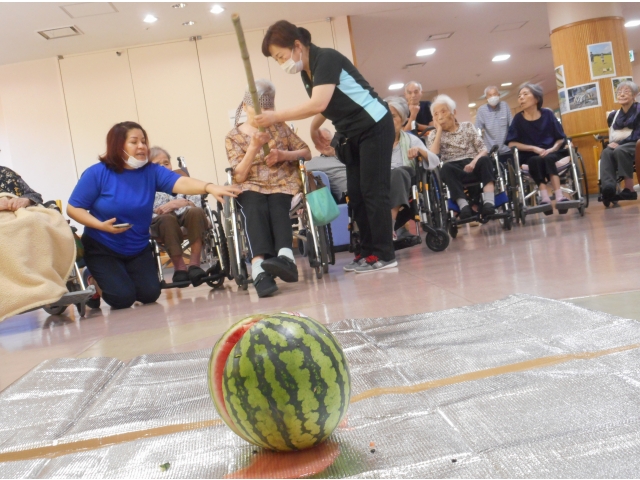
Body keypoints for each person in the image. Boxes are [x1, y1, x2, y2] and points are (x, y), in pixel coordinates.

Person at [256, 20, 396, 274]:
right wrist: (313, 127)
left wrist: (275, 116)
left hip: (374, 125)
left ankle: (384, 254)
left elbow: (318, 103)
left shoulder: (326, 58)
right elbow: (326, 103)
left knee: (373, 191)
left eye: (281, 56)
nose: (281, 63)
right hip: (351, 132)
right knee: (357, 193)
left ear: (297, 45)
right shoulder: (306, 71)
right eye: (276, 60)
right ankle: (367, 252)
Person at [67, 121, 239, 310]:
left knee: (149, 294)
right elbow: (73, 208)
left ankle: (119, 277)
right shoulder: (97, 173)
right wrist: (100, 225)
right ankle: (92, 278)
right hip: (103, 247)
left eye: (143, 141)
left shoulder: (151, 171)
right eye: (134, 142)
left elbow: (181, 182)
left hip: (137, 247)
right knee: (122, 299)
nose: (141, 146)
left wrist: (209, 187)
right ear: (118, 145)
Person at [225, 79, 311, 298]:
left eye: (267, 111)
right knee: (254, 208)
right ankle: (259, 268)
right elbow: (239, 175)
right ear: (245, 106)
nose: (262, 116)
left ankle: (285, 258)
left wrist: (283, 155)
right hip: (250, 185)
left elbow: (306, 152)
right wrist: (253, 147)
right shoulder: (233, 137)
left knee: (278, 204)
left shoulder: (280, 127)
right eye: (258, 110)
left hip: (282, 183)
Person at [427, 94, 496, 220]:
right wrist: (439, 131)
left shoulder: (467, 126)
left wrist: (474, 162)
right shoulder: (433, 134)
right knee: (445, 168)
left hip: (473, 163)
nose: (440, 116)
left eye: (443, 111)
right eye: (436, 114)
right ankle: (464, 206)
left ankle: (489, 203)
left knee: (486, 160)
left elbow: (483, 149)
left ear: (454, 112)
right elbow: (433, 156)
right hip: (453, 168)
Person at [149, 146, 211, 286]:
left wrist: (182, 202)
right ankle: (180, 268)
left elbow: (197, 203)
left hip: (186, 214)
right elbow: (144, 211)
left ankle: (194, 265)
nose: (163, 167)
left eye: (166, 163)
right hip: (162, 221)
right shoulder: (146, 185)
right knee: (166, 219)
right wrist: (164, 208)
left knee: (196, 212)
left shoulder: (181, 180)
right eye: (157, 164)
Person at [505, 83, 569, 211]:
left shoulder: (548, 114)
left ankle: (559, 196)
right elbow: (511, 143)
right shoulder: (518, 119)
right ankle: (544, 198)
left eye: (525, 94)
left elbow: (560, 137)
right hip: (530, 155)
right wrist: (533, 148)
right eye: (519, 96)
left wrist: (552, 149)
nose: (521, 98)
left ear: (536, 99)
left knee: (548, 158)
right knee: (535, 160)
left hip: (551, 151)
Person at [385, 96, 440, 243]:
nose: (389, 120)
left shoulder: (411, 140)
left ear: (403, 119)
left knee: (399, 172)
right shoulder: (376, 143)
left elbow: (435, 161)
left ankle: (389, 227)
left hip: (406, 183)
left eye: (393, 116)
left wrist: (419, 151)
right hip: (382, 182)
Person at [600, 80, 640, 202]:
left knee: (620, 150)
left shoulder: (638, 110)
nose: (622, 94)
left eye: (626, 91)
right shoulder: (614, 115)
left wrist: (619, 143)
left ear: (634, 95)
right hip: (620, 144)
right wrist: (613, 144)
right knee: (606, 152)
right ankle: (609, 187)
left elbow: (638, 133)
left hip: (636, 143)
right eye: (619, 92)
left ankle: (629, 189)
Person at [305, 128, 347, 204]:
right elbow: (301, 173)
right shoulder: (315, 162)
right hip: (350, 195)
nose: (325, 144)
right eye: (321, 142)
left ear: (334, 141)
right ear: (316, 147)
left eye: (327, 140)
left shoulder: (346, 154)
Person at [475, 85, 513, 163]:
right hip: (490, 150)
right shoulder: (481, 110)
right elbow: (477, 129)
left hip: (506, 148)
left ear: (499, 95)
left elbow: (511, 125)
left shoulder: (504, 106)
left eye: (495, 94)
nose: (493, 97)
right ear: (486, 98)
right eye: (490, 95)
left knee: (510, 168)